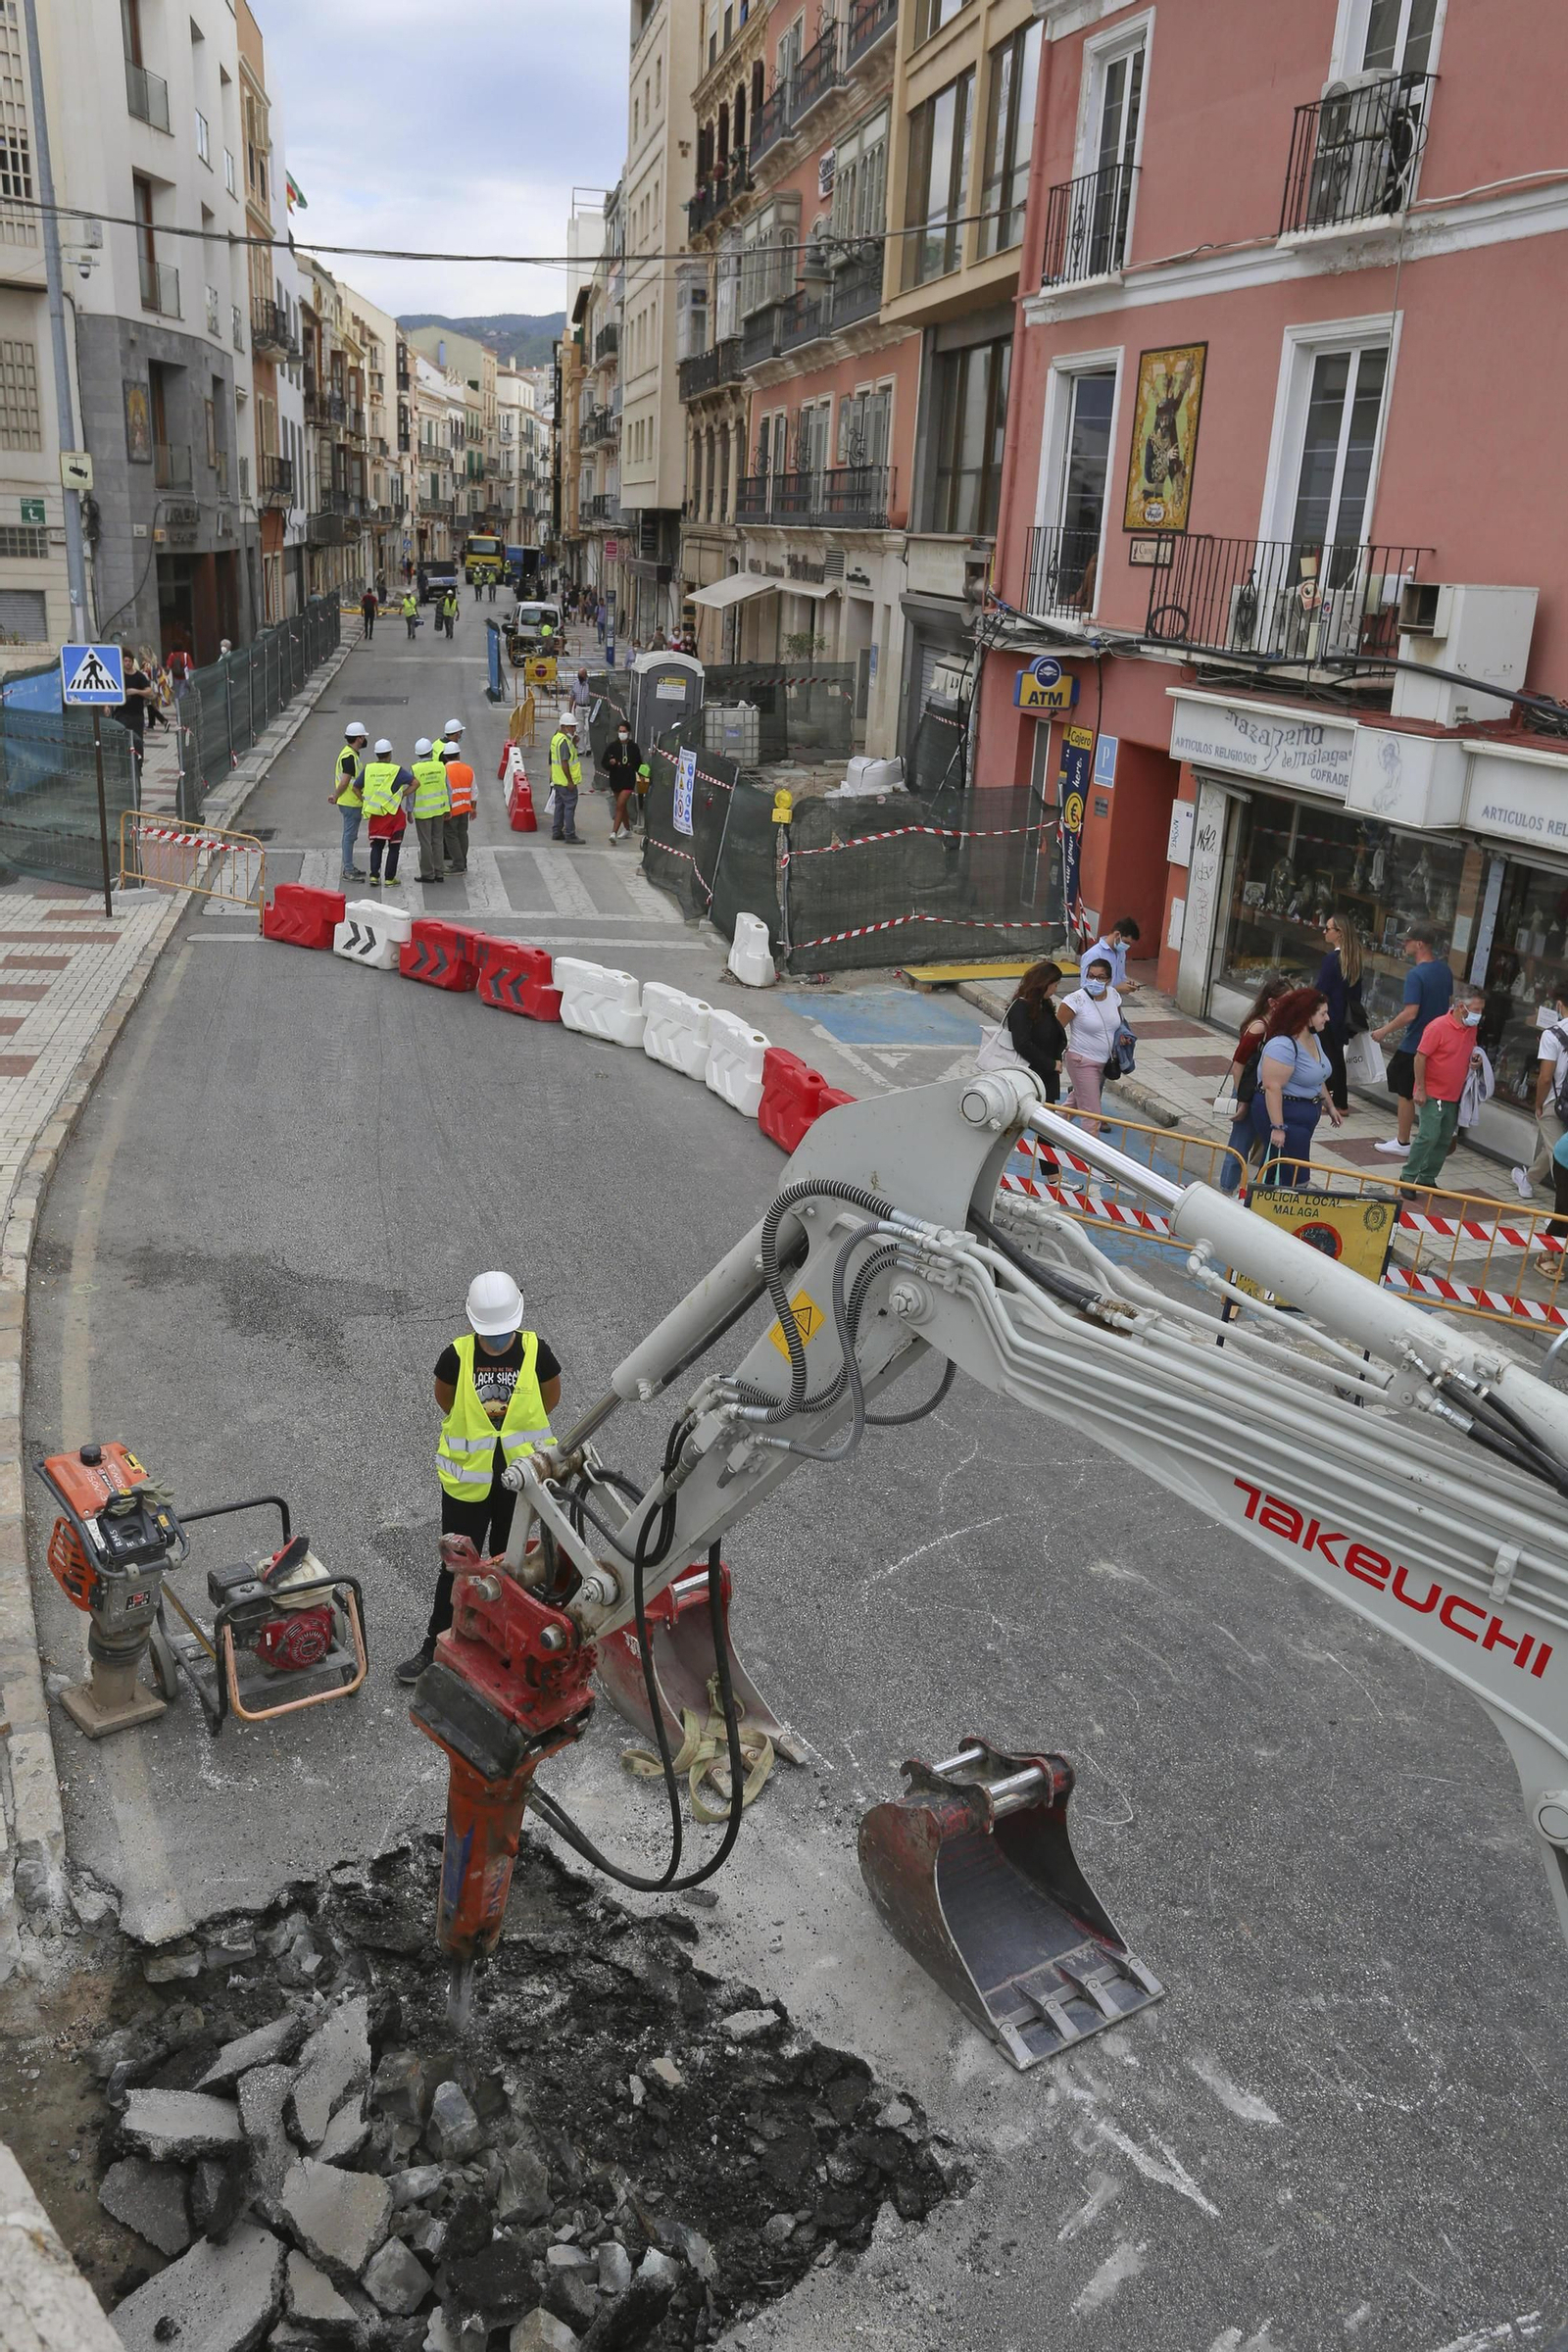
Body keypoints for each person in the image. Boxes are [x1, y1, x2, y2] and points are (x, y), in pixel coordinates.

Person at [394, 1270, 562, 1686]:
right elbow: (447, 1401)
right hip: (467, 1486)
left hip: (518, 1484)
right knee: (456, 1568)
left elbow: (549, 1399)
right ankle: (436, 1644)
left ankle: (504, 1651)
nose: (499, 1338)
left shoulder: (537, 1353)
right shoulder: (455, 1356)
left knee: (513, 1570)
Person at [1372, 923, 1452, 1155]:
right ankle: (1437, 1138)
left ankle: (1403, 1141)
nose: (1403, 944)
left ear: (1419, 944)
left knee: (1405, 1090)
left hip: (1416, 1042)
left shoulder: (1416, 974)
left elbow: (1411, 1012)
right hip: (1439, 1042)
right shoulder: (1444, 970)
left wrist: (1384, 1030)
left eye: (1407, 941)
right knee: (1433, 1092)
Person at [1250, 987, 1344, 1185]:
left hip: (1304, 1116)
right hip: (1286, 1114)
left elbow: (1317, 1076)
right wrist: (1277, 1127)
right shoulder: (1283, 1045)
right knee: (1293, 1176)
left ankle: (1257, 1206)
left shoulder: (1314, 1038)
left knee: (1278, 1171)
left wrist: (1330, 1105)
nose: (1327, 1018)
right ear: (1306, 1015)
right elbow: (1272, 1087)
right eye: (1323, 1014)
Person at [1400, 991, 1483, 1193]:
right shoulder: (1438, 1027)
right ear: (1461, 1007)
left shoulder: (1470, 1029)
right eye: (1477, 1010)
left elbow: (1471, 1049)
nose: (1479, 1015)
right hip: (1433, 1094)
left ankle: (1427, 1177)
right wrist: (1420, 1088)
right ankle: (1407, 1177)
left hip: (1454, 1095)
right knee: (1429, 1135)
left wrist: (1475, 1061)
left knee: (1445, 1138)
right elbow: (1420, 1057)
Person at [1217, 973, 1291, 1194]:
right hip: (1248, 1093)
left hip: (1267, 1093)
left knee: (1268, 1148)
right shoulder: (1259, 1027)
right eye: (1288, 1001)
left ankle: (1257, 1194)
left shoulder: (1281, 1025)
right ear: (1272, 1003)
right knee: (1240, 1144)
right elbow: (1238, 1064)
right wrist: (1242, 1099)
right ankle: (1227, 1189)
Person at [1511, 984, 1568, 1202]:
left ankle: (1561, 1215)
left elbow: (1545, 1077)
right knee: (1556, 1144)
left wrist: (1539, 1104)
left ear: (1559, 1004)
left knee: (1559, 1156)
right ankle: (1527, 1179)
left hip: (1556, 1102)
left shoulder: (1552, 1035)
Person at [1057, 956, 1122, 1119]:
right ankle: (1090, 1143)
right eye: (1091, 976)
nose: (1094, 981)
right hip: (1082, 1061)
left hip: (1104, 1062)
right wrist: (1056, 1058)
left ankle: (1046, 1132)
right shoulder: (1074, 1000)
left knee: (1075, 1103)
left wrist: (1122, 1038)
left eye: (1100, 977)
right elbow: (1056, 1030)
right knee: (1092, 1114)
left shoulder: (1113, 995)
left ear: (1108, 980)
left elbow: (1118, 1023)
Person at [1316, 912, 1366, 1111]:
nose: (1324, 932)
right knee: (1334, 1056)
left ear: (1339, 933)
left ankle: (1337, 1101)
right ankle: (1334, 1099)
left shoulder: (1332, 960)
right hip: (1344, 1016)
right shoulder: (1354, 959)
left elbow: (1321, 990)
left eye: (1328, 928)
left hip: (1329, 1015)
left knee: (1330, 1057)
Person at [1002, 960, 1066, 1102]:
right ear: (1044, 983)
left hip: (1044, 1078)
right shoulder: (1021, 1007)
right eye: (1055, 985)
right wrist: (1051, 1064)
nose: (1055, 989)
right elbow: (1022, 1043)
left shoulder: (1044, 1005)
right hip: (1029, 1078)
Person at [360, 739, 413, 888]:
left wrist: (365, 801)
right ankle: (390, 878)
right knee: (394, 847)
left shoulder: (368, 769)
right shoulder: (396, 770)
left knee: (376, 846)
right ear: (389, 754)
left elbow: (356, 788)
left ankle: (374, 876)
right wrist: (402, 795)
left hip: (376, 817)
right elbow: (415, 783)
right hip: (395, 817)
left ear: (376, 754)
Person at [110, 643, 157, 782]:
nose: (127, 663)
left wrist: (136, 691)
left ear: (132, 662)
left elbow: (150, 692)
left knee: (138, 742)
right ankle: (124, 769)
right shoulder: (119, 676)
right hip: (121, 714)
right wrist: (107, 705)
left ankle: (138, 767)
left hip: (137, 715)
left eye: (129, 661)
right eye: (125, 661)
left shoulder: (139, 677)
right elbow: (110, 691)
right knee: (123, 742)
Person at [330, 720, 369, 884]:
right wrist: (335, 796)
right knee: (349, 836)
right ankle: (347, 870)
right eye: (363, 737)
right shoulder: (349, 757)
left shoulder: (349, 754)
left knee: (350, 836)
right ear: (359, 738)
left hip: (350, 802)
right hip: (350, 802)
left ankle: (350, 867)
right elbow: (346, 781)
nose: (365, 739)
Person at [411, 737, 450, 884]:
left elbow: (411, 793)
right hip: (439, 810)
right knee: (438, 841)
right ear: (430, 752)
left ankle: (428, 874)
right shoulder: (441, 766)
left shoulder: (415, 769)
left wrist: (409, 811)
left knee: (425, 842)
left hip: (423, 812)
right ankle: (439, 872)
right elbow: (448, 788)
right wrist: (448, 808)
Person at [602, 717, 643, 842]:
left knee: (620, 805)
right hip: (615, 779)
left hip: (628, 780)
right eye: (620, 731)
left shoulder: (634, 747)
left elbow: (638, 764)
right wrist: (611, 763)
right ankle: (627, 829)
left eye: (624, 731)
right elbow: (604, 763)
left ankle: (613, 832)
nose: (622, 733)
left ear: (628, 732)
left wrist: (643, 775)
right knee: (622, 806)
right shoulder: (612, 747)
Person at [1083, 917, 1141, 995]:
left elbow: (1120, 977)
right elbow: (1086, 987)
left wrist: (1127, 985)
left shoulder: (1121, 953)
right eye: (1126, 942)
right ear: (1117, 935)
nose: (1127, 946)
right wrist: (1115, 989)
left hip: (1115, 1001)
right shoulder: (1094, 954)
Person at [550, 710, 583, 844]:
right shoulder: (564, 742)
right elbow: (565, 763)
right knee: (569, 807)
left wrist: (574, 743)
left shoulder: (557, 738)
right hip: (565, 782)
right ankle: (570, 834)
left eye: (574, 726)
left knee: (559, 806)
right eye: (571, 727)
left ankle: (557, 831)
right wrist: (570, 781)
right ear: (563, 727)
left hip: (557, 780)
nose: (574, 729)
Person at [443, 741, 475, 874]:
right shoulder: (468, 769)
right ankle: (463, 861)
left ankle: (458, 864)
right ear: (458, 755)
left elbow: (444, 791)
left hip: (452, 810)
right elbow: (475, 791)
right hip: (465, 808)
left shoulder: (444, 770)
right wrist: (473, 808)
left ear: (445, 757)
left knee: (451, 836)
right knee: (462, 834)